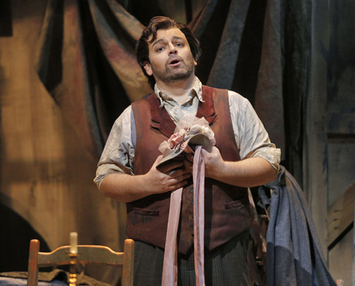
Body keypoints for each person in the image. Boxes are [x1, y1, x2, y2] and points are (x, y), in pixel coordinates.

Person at [94, 16, 280, 285]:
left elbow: (269, 164)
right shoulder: (131, 117)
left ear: (194, 57)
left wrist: (223, 169)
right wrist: (147, 183)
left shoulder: (234, 105)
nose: (171, 49)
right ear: (147, 67)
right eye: (159, 48)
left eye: (178, 44)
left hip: (225, 248)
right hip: (153, 250)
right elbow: (105, 179)